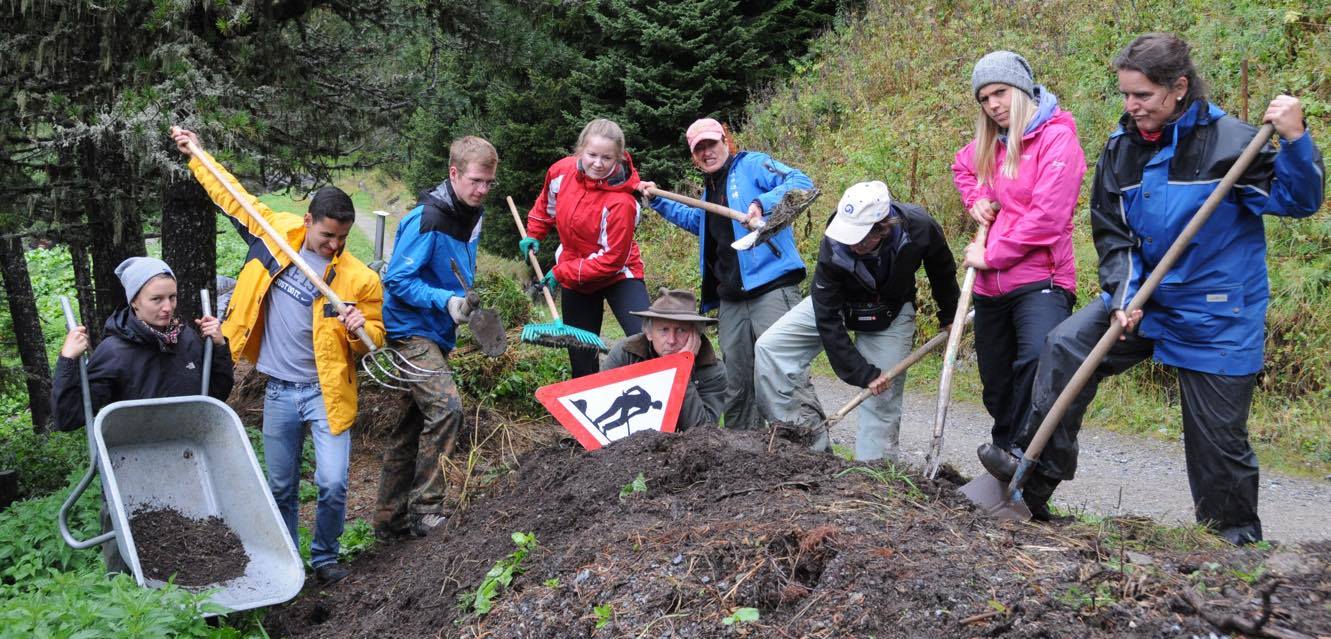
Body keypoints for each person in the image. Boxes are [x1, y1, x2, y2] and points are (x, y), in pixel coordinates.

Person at [981, 33, 1324, 542]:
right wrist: (1123, 296)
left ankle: (1232, 544)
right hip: (1145, 298)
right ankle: (1029, 482)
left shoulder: (1233, 144)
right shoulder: (1122, 150)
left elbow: (1299, 201)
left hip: (1216, 313)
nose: (1131, 105)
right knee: (1067, 347)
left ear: (1178, 87)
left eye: (1142, 95)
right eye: (1125, 94)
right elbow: (1113, 234)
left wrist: (1295, 140)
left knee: (1217, 443)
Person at [173, 128, 386, 583]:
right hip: (280, 392)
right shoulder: (275, 235)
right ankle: (290, 561)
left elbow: (375, 339)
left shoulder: (359, 279)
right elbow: (232, 196)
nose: (334, 245)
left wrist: (359, 329)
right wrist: (197, 154)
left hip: (327, 393)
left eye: (342, 237)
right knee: (282, 485)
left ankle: (325, 558)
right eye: (327, 235)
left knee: (332, 482)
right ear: (308, 221)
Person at [51, 256, 234, 572]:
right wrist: (68, 360)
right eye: (156, 299)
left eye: (172, 297)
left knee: (188, 556)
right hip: (129, 471)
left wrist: (218, 346)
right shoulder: (115, 353)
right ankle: (126, 591)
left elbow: (214, 396)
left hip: (183, 465)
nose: (167, 307)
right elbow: (68, 416)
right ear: (134, 301)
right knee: (129, 561)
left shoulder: (187, 340)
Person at [754, 181, 960, 460]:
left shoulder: (919, 227)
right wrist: (861, 372)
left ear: (883, 226)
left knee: (881, 397)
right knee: (770, 348)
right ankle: (805, 451)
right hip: (838, 303)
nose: (853, 244)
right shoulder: (834, 240)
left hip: (890, 310)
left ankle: (871, 476)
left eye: (862, 239)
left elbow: (942, 269)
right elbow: (827, 317)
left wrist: (950, 314)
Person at [638, 118, 820, 430]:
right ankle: (742, 451)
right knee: (737, 384)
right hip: (732, 299)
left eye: (712, 143)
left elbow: (800, 181)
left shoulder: (752, 165)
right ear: (694, 156)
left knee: (784, 376)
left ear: (725, 141)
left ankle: (809, 447)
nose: (707, 152)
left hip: (772, 289)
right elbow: (698, 222)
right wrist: (659, 201)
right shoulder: (709, 190)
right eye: (700, 149)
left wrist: (761, 203)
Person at [951, 51, 1086, 454]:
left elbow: (1048, 218)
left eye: (1000, 93)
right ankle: (1003, 459)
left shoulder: (1057, 139)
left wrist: (992, 255)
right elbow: (963, 167)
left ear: (1022, 89)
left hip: (1041, 280)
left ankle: (1026, 463)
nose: (993, 105)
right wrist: (976, 197)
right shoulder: (993, 142)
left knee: (1035, 366)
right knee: (997, 385)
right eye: (984, 98)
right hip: (990, 289)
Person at [374, 135, 498, 540]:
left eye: (489, 183)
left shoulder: (471, 215)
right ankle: (426, 511)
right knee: (447, 409)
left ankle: (388, 521)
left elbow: (456, 267)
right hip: (410, 331)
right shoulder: (426, 218)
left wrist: (465, 303)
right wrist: (445, 301)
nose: (482, 190)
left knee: (412, 426)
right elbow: (397, 280)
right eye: (475, 181)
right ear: (454, 173)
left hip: (438, 333)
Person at [521, 118, 648, 378]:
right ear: (580, 151)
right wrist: (534, 233)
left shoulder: (622, 202)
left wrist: (561, 272)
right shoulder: (561, 172)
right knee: (581, 357)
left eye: (607, 158)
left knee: (647, 340)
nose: (598, 164)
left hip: (618, 274)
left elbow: (612, 260)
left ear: (618, 158)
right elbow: (546, 207)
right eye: (592, 155)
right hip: (574, 271)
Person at [601, 288, 728, 431]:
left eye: (681, 330)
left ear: (696, 335)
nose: (671, 340)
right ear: (649, 333)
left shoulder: (712, 369)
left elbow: (702, 432)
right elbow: (599, 402)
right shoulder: (626, 354)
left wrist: (681, 370)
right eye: (664, 330)